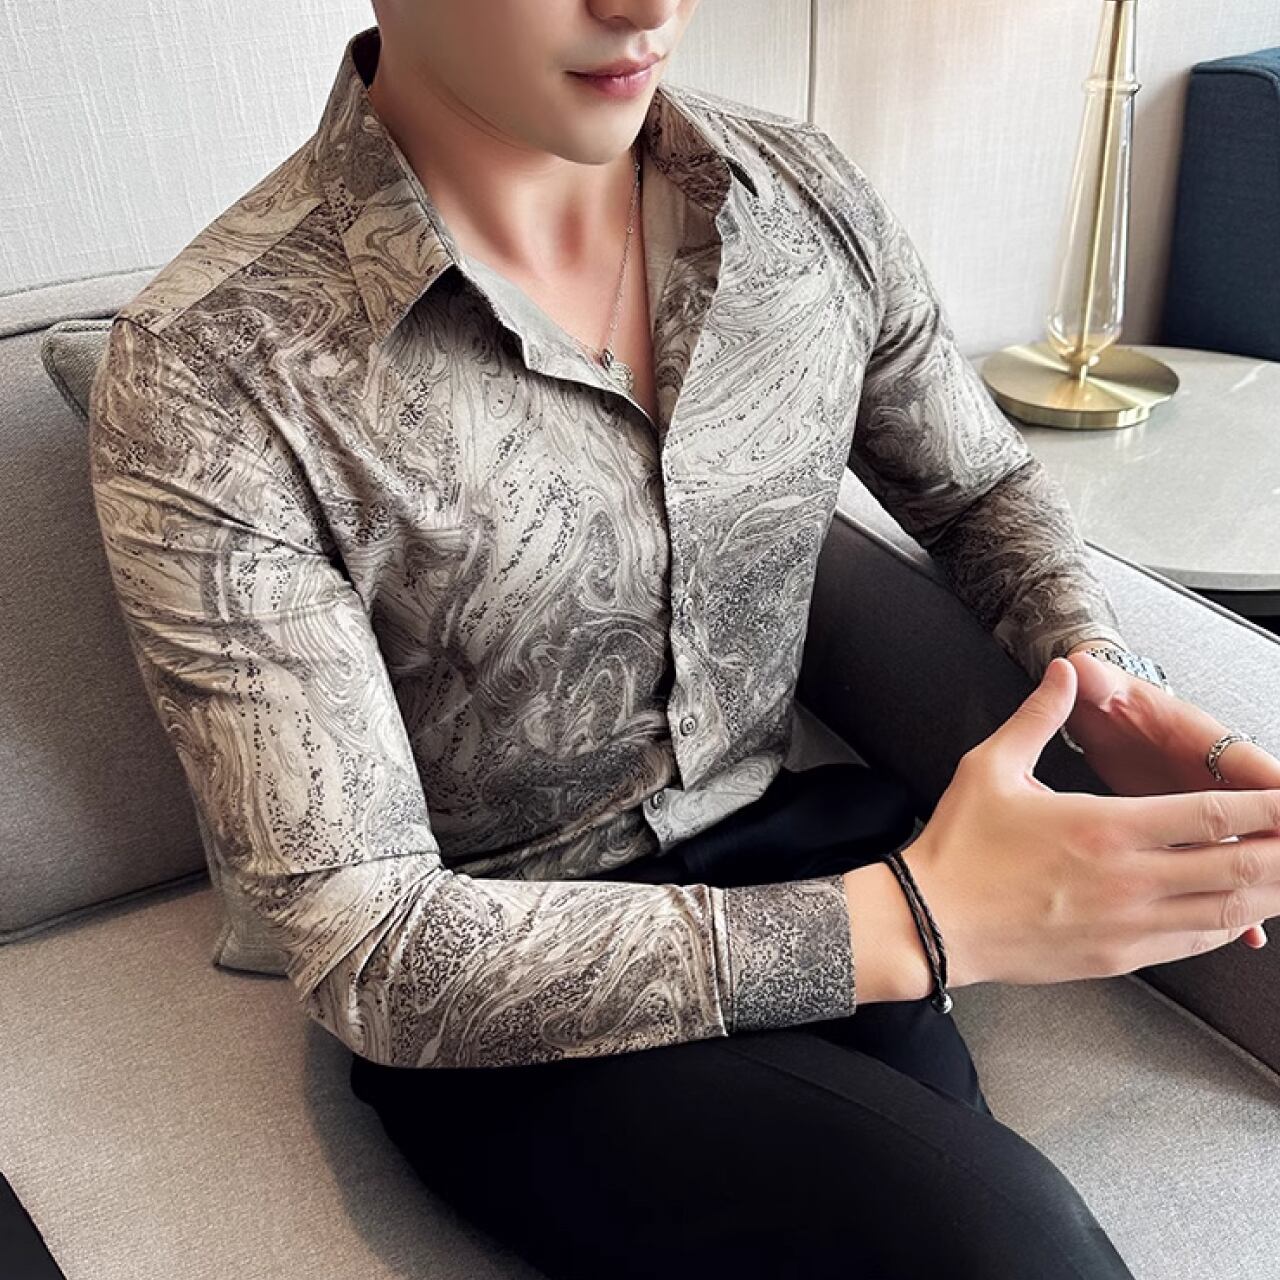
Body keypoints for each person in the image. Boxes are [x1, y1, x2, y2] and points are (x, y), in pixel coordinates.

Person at [85, 2, 1280, 1276]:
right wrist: (920, 919)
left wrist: (1099, 680)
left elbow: (975, 488)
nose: (647, 5)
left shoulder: (804, 203)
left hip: (803, 845)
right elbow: (368, 944)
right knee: (997, 1232)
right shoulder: (212, 373)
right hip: (509, 987)